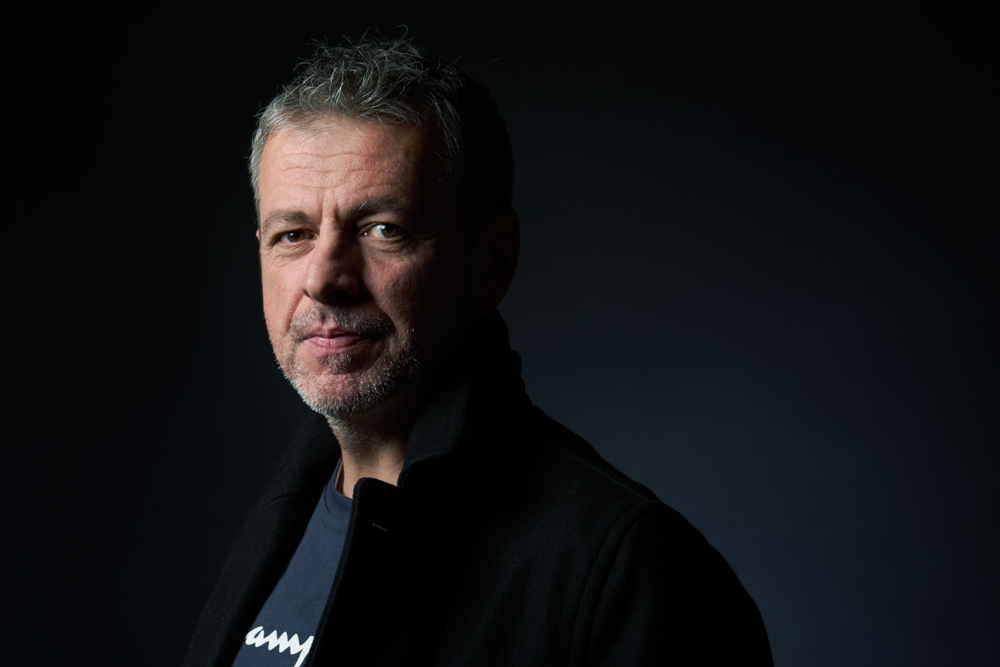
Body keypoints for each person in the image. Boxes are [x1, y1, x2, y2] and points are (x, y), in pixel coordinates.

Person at [183, 37, 772, 667]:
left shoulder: (627, 570)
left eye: (383, 229)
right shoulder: (277, 526)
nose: (324, 279)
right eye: (292, 234)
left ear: (491, 262)